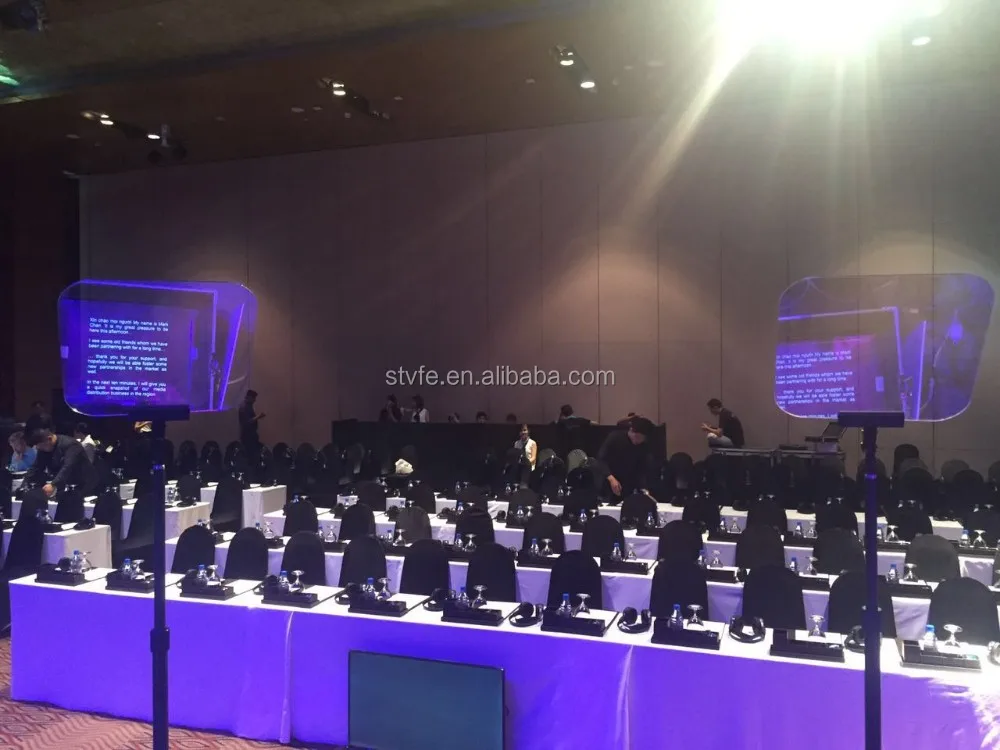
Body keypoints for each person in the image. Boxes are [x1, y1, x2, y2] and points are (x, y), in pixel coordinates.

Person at [24, 428, 99, 496]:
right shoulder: (44, 448)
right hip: (64, 484)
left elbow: (68, 466)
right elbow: (36, 467)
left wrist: (53, 484)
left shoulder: (71, 445)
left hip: (85, 484)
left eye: (41, 446)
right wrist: (24, 484)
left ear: (49, 439)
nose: (40, 449)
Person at [598, 416, 656, 500]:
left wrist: (644, 489)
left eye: (642, 439)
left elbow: (641, 468)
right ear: (631, 431)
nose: (638, 441)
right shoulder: (615, 437)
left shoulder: (643, 446)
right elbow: (601, 459)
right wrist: (611, 478)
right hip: (608, 481)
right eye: (638, 437)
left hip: (628, 486)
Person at [239, 390, 265, 455]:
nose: (255, 400)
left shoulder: (247, 406)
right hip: (248, 436)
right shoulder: (245, 407)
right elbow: (247, 421)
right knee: (251, 453)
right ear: (250, 397)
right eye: (254, 398)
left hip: (250, 435)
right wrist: (258, 416)